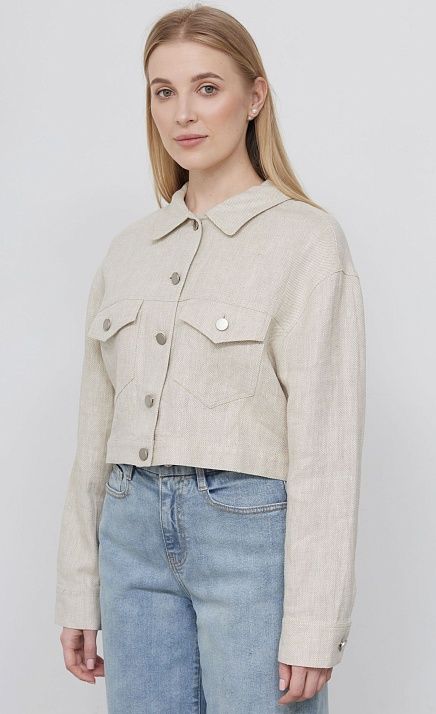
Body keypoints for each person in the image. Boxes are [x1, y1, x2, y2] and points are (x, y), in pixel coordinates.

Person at [55, 4, 366, 713]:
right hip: (130, 541)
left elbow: (327, 446)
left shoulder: (306, 243)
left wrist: (315, 624)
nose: (183, 113)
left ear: (254, 97)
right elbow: (94, 435)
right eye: (163, 91)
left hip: (249, 541)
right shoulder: (129, 251)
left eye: (207, 88)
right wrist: (79, 587)